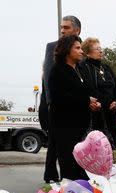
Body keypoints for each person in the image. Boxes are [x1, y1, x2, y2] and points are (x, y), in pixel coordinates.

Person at [48, 35, 100, 180]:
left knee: (83, 170)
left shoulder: (79, 69)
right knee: (70, 169)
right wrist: (86, 100)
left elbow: (88, 92)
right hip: (65, 128)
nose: (81, 51)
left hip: (81, 129)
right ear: (66, 50)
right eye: (77, 48)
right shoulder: (58, 70)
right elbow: (60, 98)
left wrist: (94, 102)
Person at [40, 15, 81, 183]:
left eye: (67, 28)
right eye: (61, 28)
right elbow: (49, 76)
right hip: (56, 103)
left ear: (77, 30)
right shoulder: (52, 47)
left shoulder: (81, 48)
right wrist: (50, 102)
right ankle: (51, 174)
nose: (62, 31)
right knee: (55, 140)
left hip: (75, 104)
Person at [80, 37, 116, 148]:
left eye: (101, 48)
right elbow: (87, 89)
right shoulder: (83, 68)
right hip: (96, 117)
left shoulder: (106, 68)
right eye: (97, 49)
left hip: (111, 116)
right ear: (88, 53)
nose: (101, 51)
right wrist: (101, 102)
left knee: (113, 148)